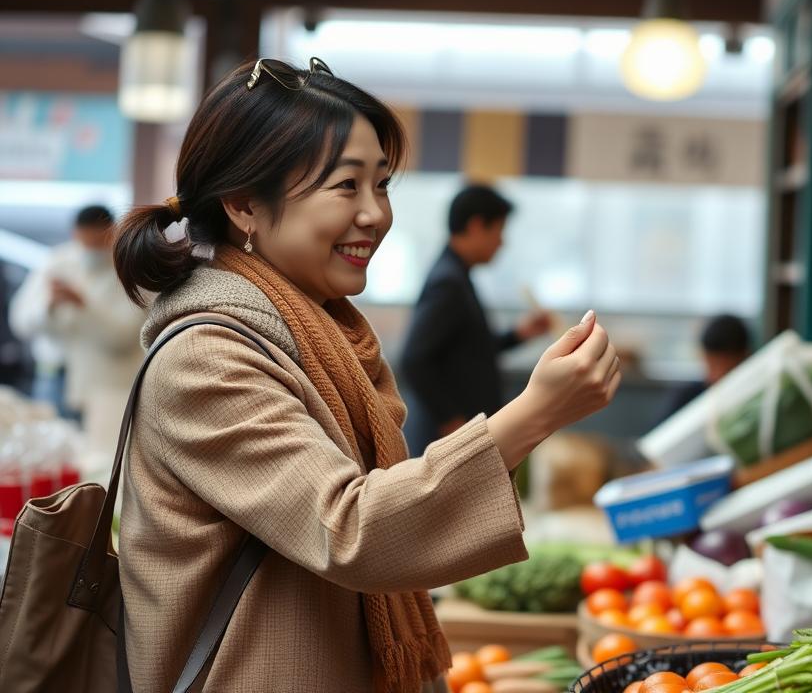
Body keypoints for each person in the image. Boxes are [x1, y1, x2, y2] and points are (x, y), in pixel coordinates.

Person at [112, 57, 621, 692]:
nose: (375, 214)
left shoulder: (317, 335)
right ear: (244, 203)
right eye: (345, 186)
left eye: (381, 184)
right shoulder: (206, 359)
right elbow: (351, 530)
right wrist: (534, 413)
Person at [399, 185, 554, 457]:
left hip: (455, 436)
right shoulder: (448, 283)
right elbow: (414, 359)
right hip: (443, 440)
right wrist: (450, 419)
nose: (501, 242)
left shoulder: (457, 275)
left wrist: (520, 334)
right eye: (499, 231)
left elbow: (470, 351)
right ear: (476, 225)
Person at [10, 205, 145, 452]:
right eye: (86, 241)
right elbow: (20, 321)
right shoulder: (57, 262)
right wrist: (48, 305)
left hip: (103, 386)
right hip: (51, 378)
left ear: (111, 232)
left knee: (98, 455)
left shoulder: (127, 268)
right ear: (75, 234)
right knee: (48, 452)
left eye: (97, 242)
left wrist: (84, 305)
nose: (91, 249)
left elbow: (124, 337)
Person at [657, 314, 751, 422]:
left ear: (745, 358)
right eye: (711, 366)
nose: (716, 375)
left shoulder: (752, 400)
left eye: (725, 367)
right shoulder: (687, 397)